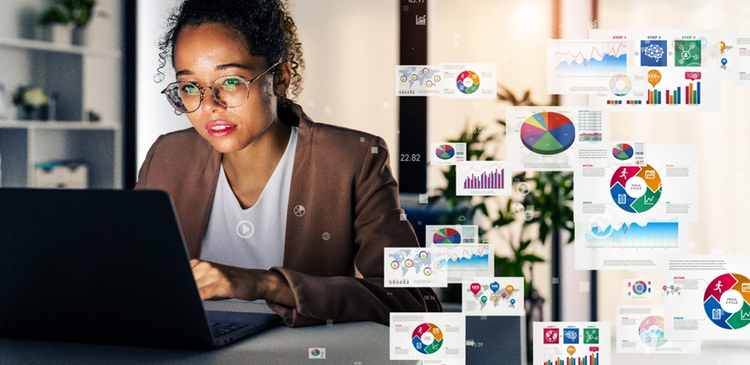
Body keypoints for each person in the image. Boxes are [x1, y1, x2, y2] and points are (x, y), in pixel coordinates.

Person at [135, 0, 441, 327]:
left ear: (280, 78)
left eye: (232, 82)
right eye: (190, 87)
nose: (210, 105)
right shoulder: (167, 156)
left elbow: (416, 301)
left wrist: (265, 284)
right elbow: (126, 277)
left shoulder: (353, 160)